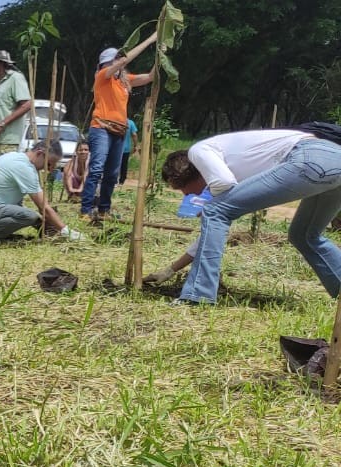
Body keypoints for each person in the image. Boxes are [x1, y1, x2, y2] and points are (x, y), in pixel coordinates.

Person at [161, 129, 341, 305]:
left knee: (214, 211)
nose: (186, 195)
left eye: (180, 188)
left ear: (190, 174)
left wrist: (212, 205)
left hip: (309, 156)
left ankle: (197, 295)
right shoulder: (232, 165)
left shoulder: (198, 151)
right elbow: (211, 234)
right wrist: (171, 269)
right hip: (334, 157)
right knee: (304, 235)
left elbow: (221, 191)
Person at [81, 35, 158, 223]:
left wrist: (160, 55)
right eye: (115, 61)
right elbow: (125, 59)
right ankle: (85, 210)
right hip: (101, 127)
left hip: (119, 130)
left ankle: (103, 209)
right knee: (97, 168)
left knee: (113, 174)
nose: (119, 64)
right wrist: (150, 40)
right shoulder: (102, 77)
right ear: (106, 64)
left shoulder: (124, 82)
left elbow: (150, 77)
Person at [0, 140, 81, 242]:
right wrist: (67, 231)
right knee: (29, 216)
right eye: (49, 164)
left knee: (26, 214)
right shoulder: (24, 168)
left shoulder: (14, 156)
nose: (49, 169)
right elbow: (43, 207)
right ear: (40, 153)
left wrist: (44, 225)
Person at [118, 117, 139, 185]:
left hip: (115, 147)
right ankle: (122, 181)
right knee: (124, 165)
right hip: (126, 148)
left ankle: (113, 180)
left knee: (114, 164)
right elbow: (134, 134)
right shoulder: (130, 122)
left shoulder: (115, 121)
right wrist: (135, 145)